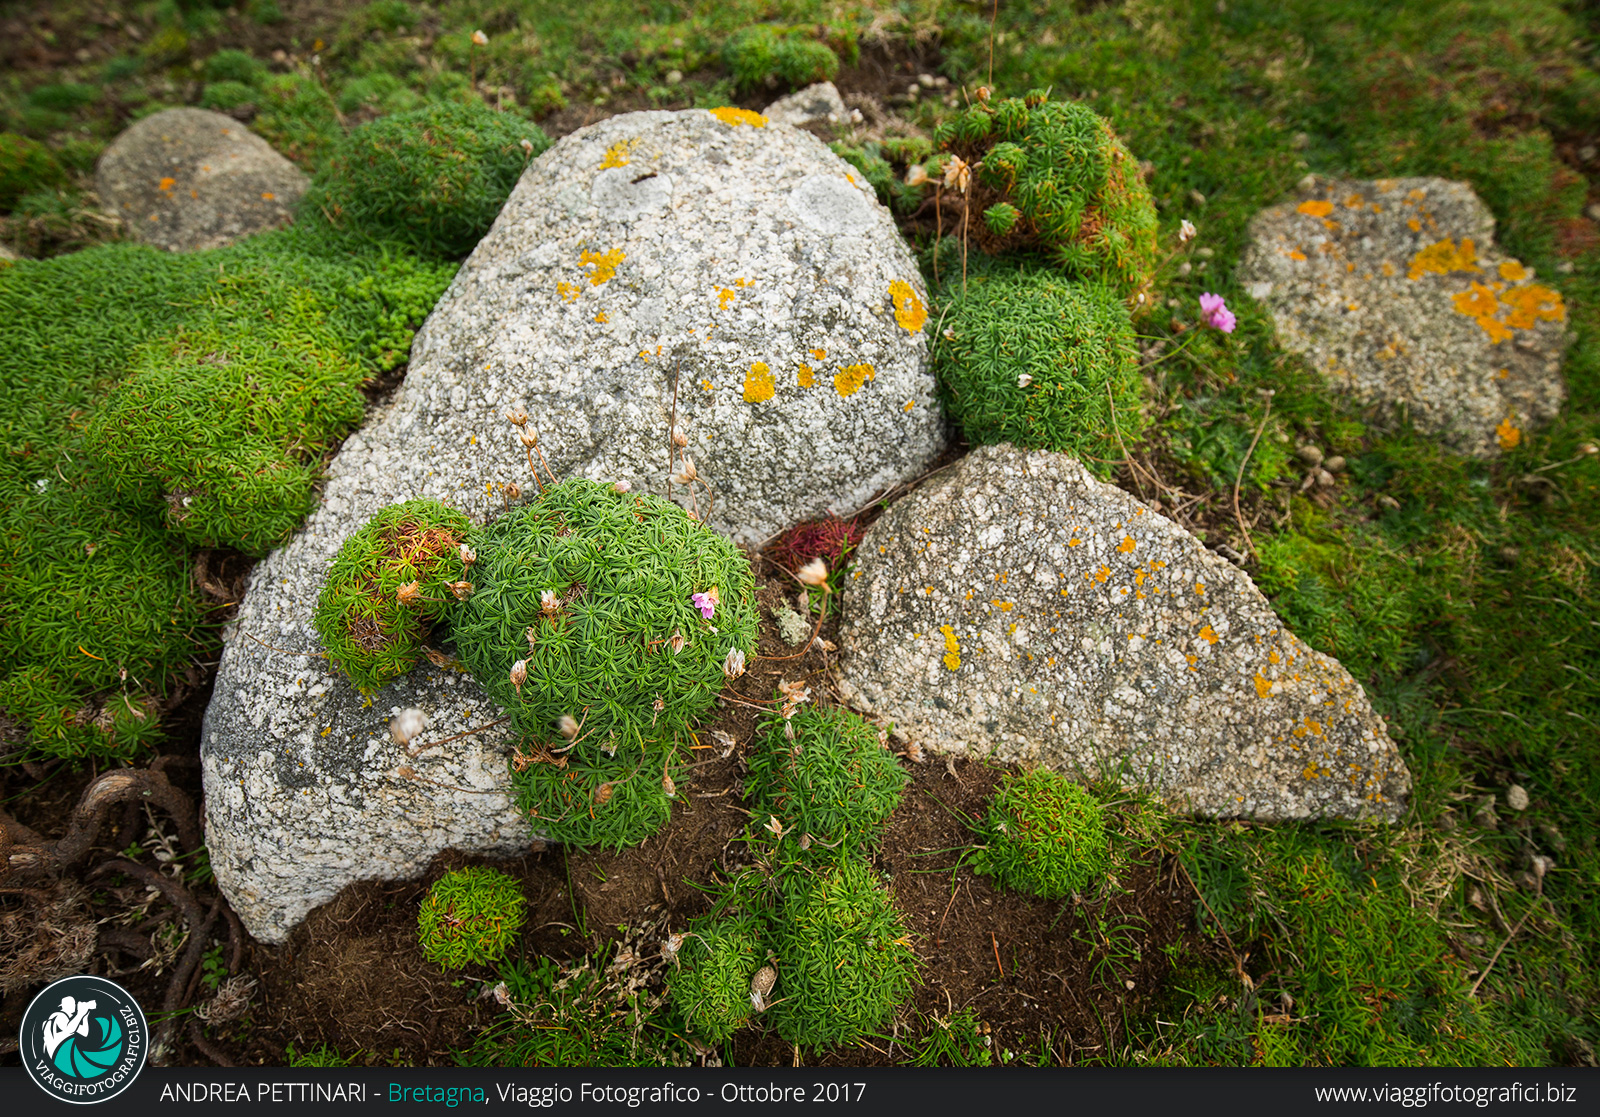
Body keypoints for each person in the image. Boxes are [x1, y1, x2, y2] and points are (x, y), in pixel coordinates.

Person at [42, 996, 95, 1060]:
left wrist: (85, 1016)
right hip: (57, 1055)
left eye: (74, 1003)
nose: (75, 1006)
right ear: (64, 1005)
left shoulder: (69, 1021)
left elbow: (84, 1032)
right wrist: (80, 1014)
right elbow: (69, 1030)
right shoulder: (59, 1016)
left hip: (61, 1053)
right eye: (72, 1004)